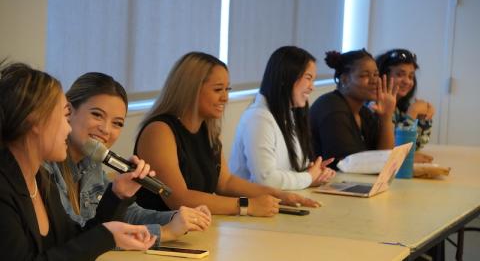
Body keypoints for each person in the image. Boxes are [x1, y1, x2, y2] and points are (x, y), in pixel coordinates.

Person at [134, 52, 320, 217]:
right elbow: (178, 198)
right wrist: (247, 206)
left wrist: (278, 194)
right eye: (217, 90)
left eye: (227, 89)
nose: (225, 97)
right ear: (191, 89)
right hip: (154, 237)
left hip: (192, 230)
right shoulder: (159, 131)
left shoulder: (208, 130)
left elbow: (225, 182)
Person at [0, 63, 156, 260]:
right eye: (65, 116)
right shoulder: (4, 188)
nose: (68, 129)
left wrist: (118, 195)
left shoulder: (40, 179)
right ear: (35, 121)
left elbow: (73, 241)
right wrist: (106, 236)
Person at [42, 72, 211, 246]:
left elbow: (130, 215)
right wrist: (164, 232)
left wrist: (177, 217)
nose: (106, 130)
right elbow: (79, 236)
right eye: (97, 115)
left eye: (117, 123)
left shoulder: (93, 162)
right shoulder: (46, 167)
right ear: (68, 111)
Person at [229, 46, 335, 190]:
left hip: (277, 202)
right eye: (308, 78)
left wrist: (313, 173)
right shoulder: (259, 118)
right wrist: (308, 177)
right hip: (252, 206)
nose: (312, 87)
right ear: (286, 77)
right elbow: (266, 180)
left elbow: (288, 171)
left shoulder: (289, 114)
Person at [309, 49, 398, 170]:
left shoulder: (363, 112)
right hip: (323, 185)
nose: (374, 81)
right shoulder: (332, 108)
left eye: (376, 74)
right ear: (345, 80)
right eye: (364, 75)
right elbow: (350, 166)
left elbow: (384, 158)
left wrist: (386, 117)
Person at [376, 49, 434, 163]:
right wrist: (412, 114)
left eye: (411, 76)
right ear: (383, 76)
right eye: (400, 74)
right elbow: (392, 153)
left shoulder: (401, 107)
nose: (407, 81)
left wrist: (423, 118)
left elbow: (415, 146)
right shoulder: (376, 106)